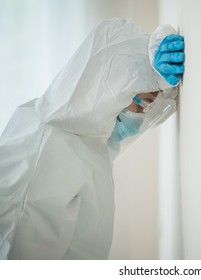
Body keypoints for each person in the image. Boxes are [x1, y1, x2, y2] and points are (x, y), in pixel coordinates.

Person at [0, 18, 184, 259]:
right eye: (138, 101)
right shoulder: (47, 147)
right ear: (108, 90)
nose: (138, 114)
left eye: (148, 104)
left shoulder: (90, 146)